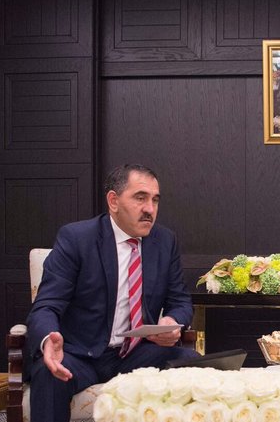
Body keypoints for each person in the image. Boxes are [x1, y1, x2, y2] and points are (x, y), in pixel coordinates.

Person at [26, 164, 200, 422]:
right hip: (80, 355)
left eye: (155, 200)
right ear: (113, 201)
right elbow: (46, 305)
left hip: (136, 354)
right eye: (140, 198)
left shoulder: (164, 241)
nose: (149, 209)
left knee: (192, 362)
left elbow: (180, 300)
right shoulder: (77, 238)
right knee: (48, 372)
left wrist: (172, 321)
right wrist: (48, 340)